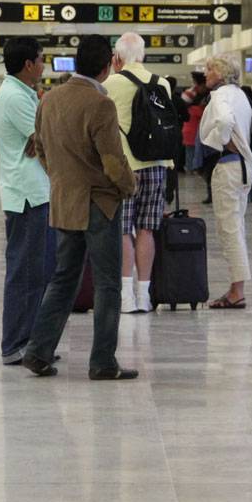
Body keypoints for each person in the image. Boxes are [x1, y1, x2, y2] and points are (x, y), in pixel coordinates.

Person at [21, 35, 138, 380]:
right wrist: (128, 187)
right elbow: (113, 161)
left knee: (63, 280)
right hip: (99, 203)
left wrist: (60, 178)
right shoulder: (100, 104)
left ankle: (38, 351)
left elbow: (39, 146)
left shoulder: (50, 99)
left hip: (63, 201)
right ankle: (103, 361)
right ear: (107, 67)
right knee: (107, 284)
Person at [0, 37, 57, 365]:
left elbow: (42, 138)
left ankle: (33, 341)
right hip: (26, 197)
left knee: (41, 271)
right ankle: (15, 343)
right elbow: (46, 138)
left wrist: (41, 140)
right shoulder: (15, 97)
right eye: (41, 59)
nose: (44, 64)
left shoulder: (23, 93)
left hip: (36, 192)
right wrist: (41, 140)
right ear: (29, 64)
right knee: (25, 272)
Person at [104, 32, 174, 314]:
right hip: (157, 164)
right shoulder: (163, 84)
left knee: (123, 230)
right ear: (143, 55)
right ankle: (144, 295)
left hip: (124, 169)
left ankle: (125, 298)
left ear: (117, 57)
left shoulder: (109, 84)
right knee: (147, 229)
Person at [199, 55, 252, 310]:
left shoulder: (220, 96)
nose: (205, 74)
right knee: (237, 225)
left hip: (229, 164)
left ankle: (237, 291)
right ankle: (236, 287)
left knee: (229, 228)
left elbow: (223, 121)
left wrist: (218, 140)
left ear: (220, 73)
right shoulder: (240, 95)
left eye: (209, 69)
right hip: (244, 166)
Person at [182, 71, 208, 174]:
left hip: (188, 132)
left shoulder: (190, 108)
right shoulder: (198, 109)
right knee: (193, 152)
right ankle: (193, 168)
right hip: (194, 133)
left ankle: (190, 168)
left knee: (189, 152)